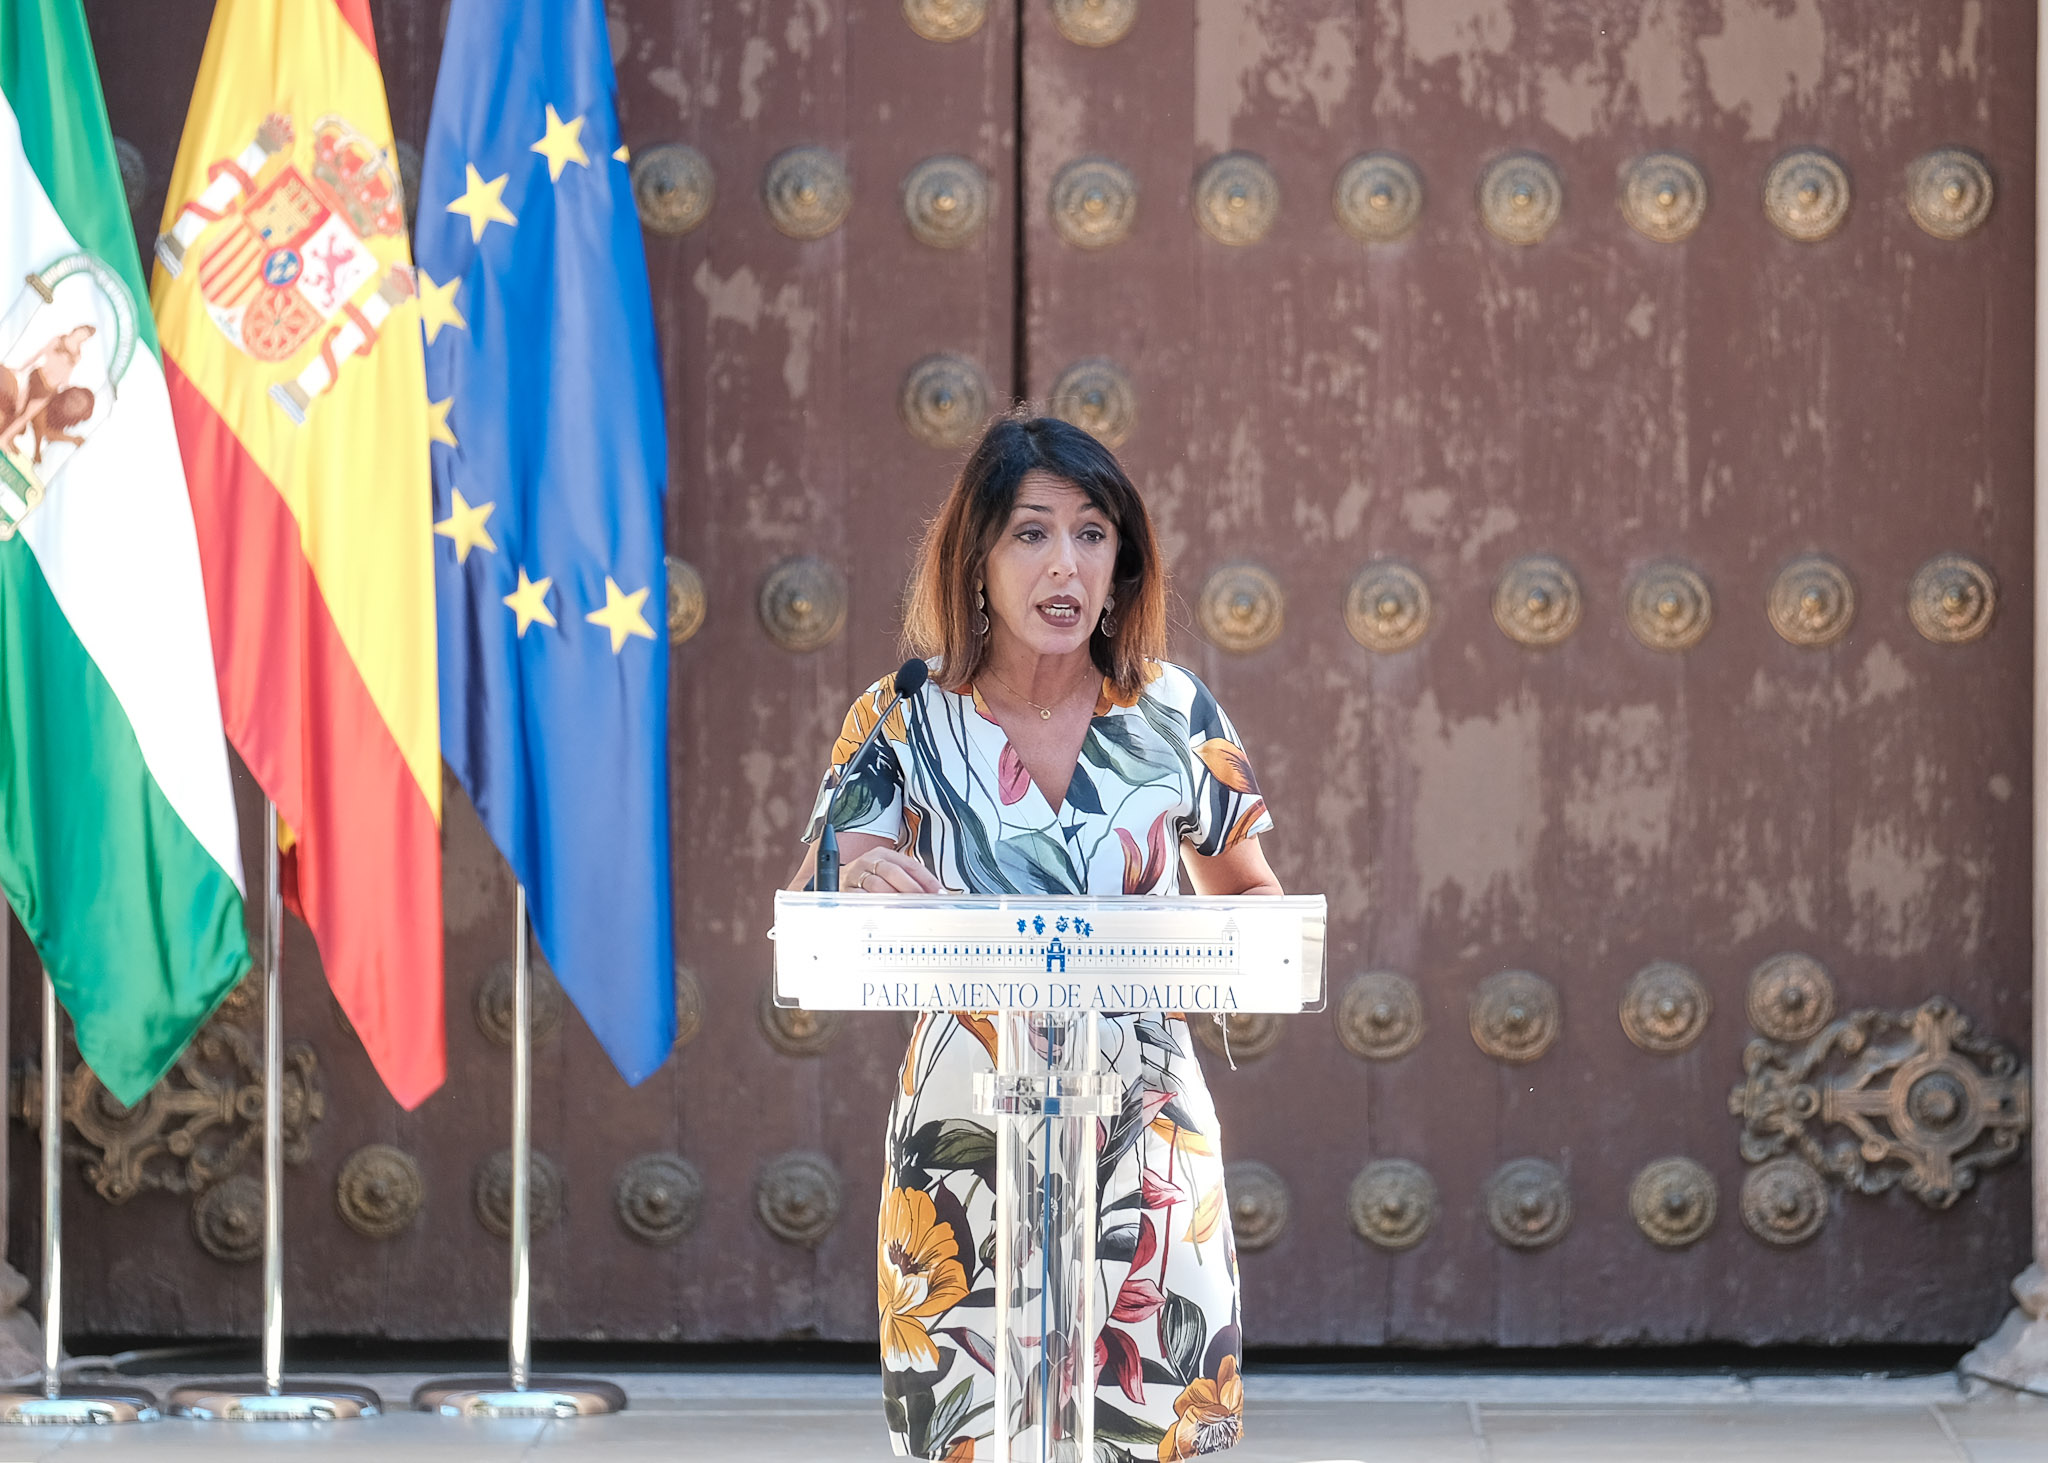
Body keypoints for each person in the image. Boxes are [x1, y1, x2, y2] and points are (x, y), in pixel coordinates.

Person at [789, 414, 1282, 1462]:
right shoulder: (902, 718)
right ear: (975, 555)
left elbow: (1252, 897)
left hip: (1143, 1124)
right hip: (964, 1120)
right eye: (1030, 533)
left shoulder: (1174, 711)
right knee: (968, 1420)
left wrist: (1199, 947)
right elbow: (817, 894)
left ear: (1122, 561)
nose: (1065, 563)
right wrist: (855, 877)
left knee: (1159, 1423)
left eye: (1092, 533)